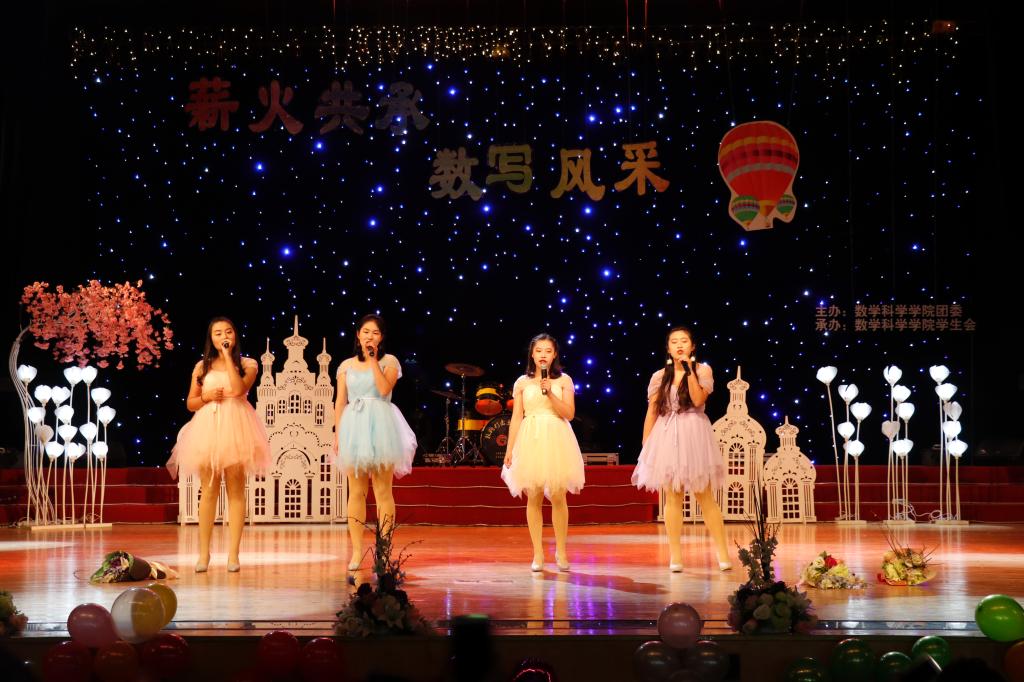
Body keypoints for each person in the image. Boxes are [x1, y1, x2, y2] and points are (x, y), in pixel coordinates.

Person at [167, 317, 270, 573]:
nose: (223, 336)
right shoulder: (201, 366)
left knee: (236, 490)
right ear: (210, 338)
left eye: (228, 332)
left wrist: (227, 356)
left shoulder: (248, 364)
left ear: (234, 336)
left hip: (236, 428)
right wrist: (207, 396)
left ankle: (233, 555)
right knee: (209, 491)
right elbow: (190, 403)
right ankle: (204, 554)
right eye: (217, 333)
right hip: (208, 429)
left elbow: (239, 389)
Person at [632, 326, 732, 572]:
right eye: (674, 342)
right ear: (668, 348)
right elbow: (652, 411)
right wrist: (647, 445)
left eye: (684, 341)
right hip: (667, 433)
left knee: (704, 495)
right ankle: (675, 556)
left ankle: (722, 553)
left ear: (692, 346)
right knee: (673, 495)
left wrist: (689, 372)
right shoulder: (659, 377)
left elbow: (698, 400)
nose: (679, 345)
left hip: (694, 431)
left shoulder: (702, 370)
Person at [333, 314, 416, 571]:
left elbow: (383, 389)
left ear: (381, 338)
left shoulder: (389, 361)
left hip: (381, 425)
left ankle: (383, 549)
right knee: (356, 491)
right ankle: (357, 551)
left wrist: (372, 360)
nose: (370, 336)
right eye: (366, 332)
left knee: (382, 491)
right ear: (358, 335)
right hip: (354, 427)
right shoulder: (345, 366)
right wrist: (338, 434)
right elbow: (340, 402)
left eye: (375, 333)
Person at [501, 334, 584, 572]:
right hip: (531, 438)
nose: (543, 355)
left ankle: (561, 551)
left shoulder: (564, 380)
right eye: (539, 350)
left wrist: (551, 393)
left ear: (555, 354)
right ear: (532, 354)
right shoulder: (522, 382)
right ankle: (538, 553)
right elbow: (517, 417)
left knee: (558, 496)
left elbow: (569, 413)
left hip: (556, 436)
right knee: (534, 496)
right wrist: (510, 449)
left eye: (548, 351)